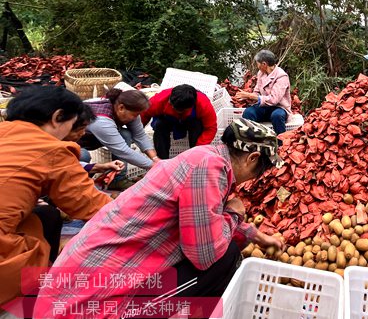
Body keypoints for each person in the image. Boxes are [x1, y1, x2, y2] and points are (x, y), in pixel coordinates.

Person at [34, 118, 285, 319]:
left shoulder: (204, 157)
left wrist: (256, 236)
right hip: (86, 305)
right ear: (252, 158)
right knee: (224, 258)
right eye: (260, 171)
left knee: (226, 247)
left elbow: (209, 217)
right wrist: (234, 213)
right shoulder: (209, 168)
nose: (255, 178)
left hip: (71, 290)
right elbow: (204, 253)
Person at [0, 87, 113, 310]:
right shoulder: (52, 150)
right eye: (72, 124)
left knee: (45, 214)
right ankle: (38, 295)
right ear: (56, 117)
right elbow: (91, 207)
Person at [79, 88, 159, 177]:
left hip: (93, 137)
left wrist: (155, 159)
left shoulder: (125, 108)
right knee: (83, 156)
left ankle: (118, 179)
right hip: (74, 142)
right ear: (121, 108)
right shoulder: (101, 120)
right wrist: (154, 166)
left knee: (125, 134)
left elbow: (140, 135)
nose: (136, 117)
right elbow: (122, 151)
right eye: (135, 115)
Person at [141, 84, 218, 159]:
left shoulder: (203, 104)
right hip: (167, 120)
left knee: (197, 125)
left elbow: (211, 128)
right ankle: (162, 159)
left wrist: (198, 149)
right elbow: (144, 115)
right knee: (159, 125)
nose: (174, 109)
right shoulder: (159, 100)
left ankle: (195, 157)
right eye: (172, 106)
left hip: (191, 121)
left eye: (179, 110)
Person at [237, 50, 292, 136]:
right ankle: (252, 140)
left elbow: (274, 99)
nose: (257, 66)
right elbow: (257, 91)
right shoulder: (261, 73)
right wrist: (248, 97)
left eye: (257, 63)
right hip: (264, 106)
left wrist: (252, 97)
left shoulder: (281, 76)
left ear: (264, 64)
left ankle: (282, 142)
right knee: (248, 113)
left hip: (279, 107)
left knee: (277, 116)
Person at [64, 105, 124, 175]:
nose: (83, 133)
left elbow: (74, 166)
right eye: (79, 129)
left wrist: (103, 167)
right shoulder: (53, 149)